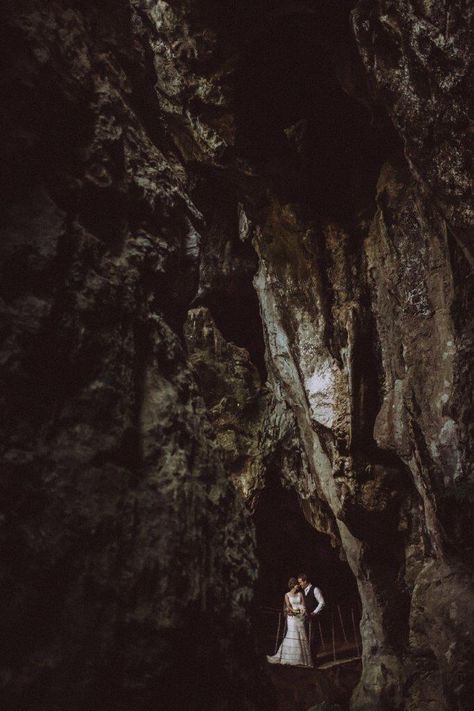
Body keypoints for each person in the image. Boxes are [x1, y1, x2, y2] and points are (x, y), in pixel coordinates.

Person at [267, 577, 313, 667]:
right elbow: (288, 606)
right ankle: (292, 658)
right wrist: (294, 612)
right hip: (292, 618)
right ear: (292, 585)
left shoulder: (300, 594)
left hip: (300, 617)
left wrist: (300, 611)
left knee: (301, 635)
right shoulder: (287, 595)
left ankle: (303, 659)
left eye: (299, 584)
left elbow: (303, 606)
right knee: (292, 634)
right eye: (297, 584)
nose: (298, 586)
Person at [297, 573, 325, 661]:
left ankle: (314, 658)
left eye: (301, 582)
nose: (300, 584)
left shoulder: (315, 589)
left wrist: (314, 612)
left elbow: (322, 602)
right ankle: (309, 659)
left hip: (313, 617)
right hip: (305, 617)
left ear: (305, 581)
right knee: (306, 638)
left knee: (313, 638)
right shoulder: (303, 592)